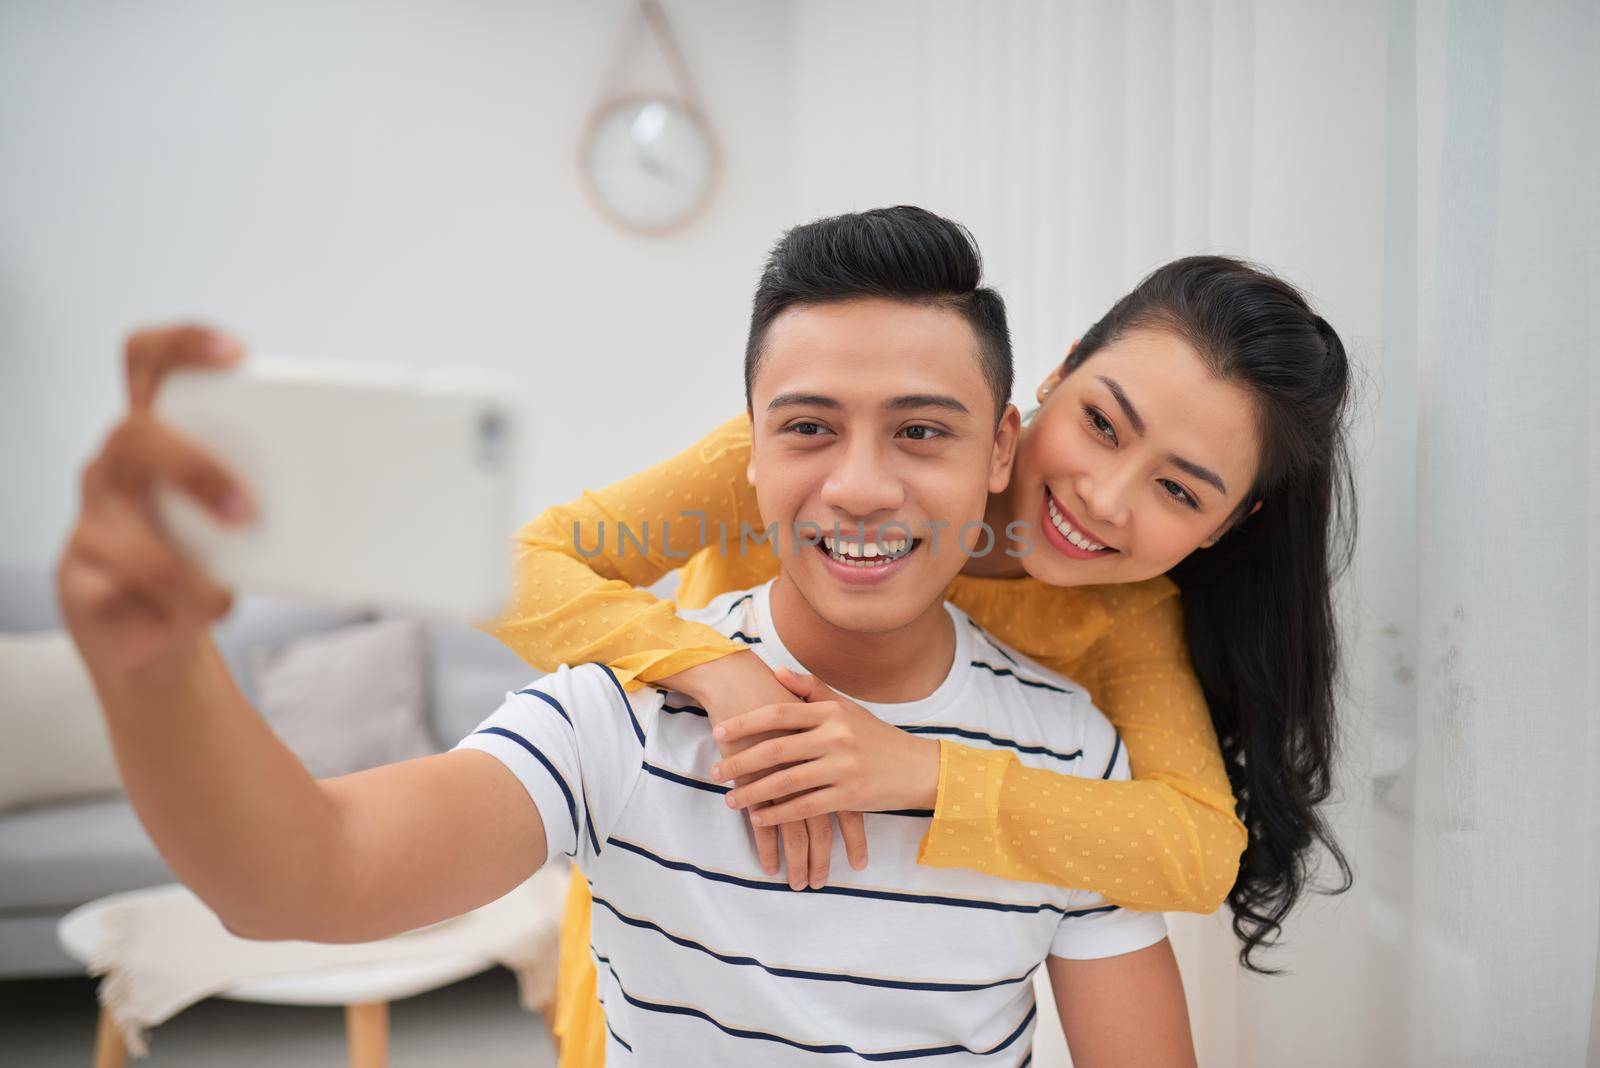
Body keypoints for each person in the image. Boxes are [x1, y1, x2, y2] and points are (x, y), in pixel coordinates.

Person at [56, 208, 1198, 1064]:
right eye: (808, 428)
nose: (859, 486)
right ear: (747, 449)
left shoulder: (1072, 756)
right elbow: (305, 880)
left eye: (919, 431)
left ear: (999, 451)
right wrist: (152, 664)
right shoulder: (624, 710)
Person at [488, 211, 1356, 1063]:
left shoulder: (1126, 619)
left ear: (1225, 526)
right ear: (1055, 379)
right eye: (1102, 424)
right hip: (681, 955)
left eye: (1179, 490)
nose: (1104, 496)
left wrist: (922, 771)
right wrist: (720, 670)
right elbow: (520, 564)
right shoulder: (814, 453)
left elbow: (1197, 848)